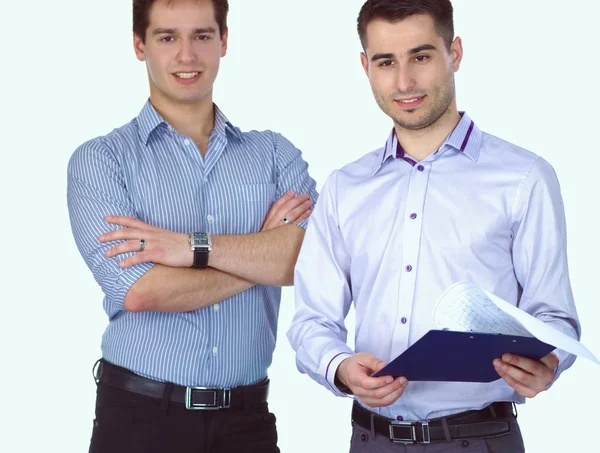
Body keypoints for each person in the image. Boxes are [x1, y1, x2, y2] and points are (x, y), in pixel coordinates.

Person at [287, 0, 580, 451]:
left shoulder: (524, 178)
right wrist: (341, 367)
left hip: (480, 439)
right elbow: (312, 320)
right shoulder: (346, 188)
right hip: (371, 439)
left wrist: (550, 363)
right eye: (386, 62)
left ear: (455, 53)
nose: (404, 82)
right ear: (366, 67)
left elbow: (554, 318)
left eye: (421, 57)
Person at [67, 0, 317, 452]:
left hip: (248, 422)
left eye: (202, 36)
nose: (187, 55)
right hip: (139, 419)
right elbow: (141, 291)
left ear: (224, 41)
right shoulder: (102, 161)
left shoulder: (275, 155)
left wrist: (190, 247)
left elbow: (307, 258)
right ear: (140, 46)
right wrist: (262, 255)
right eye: (168, 38)